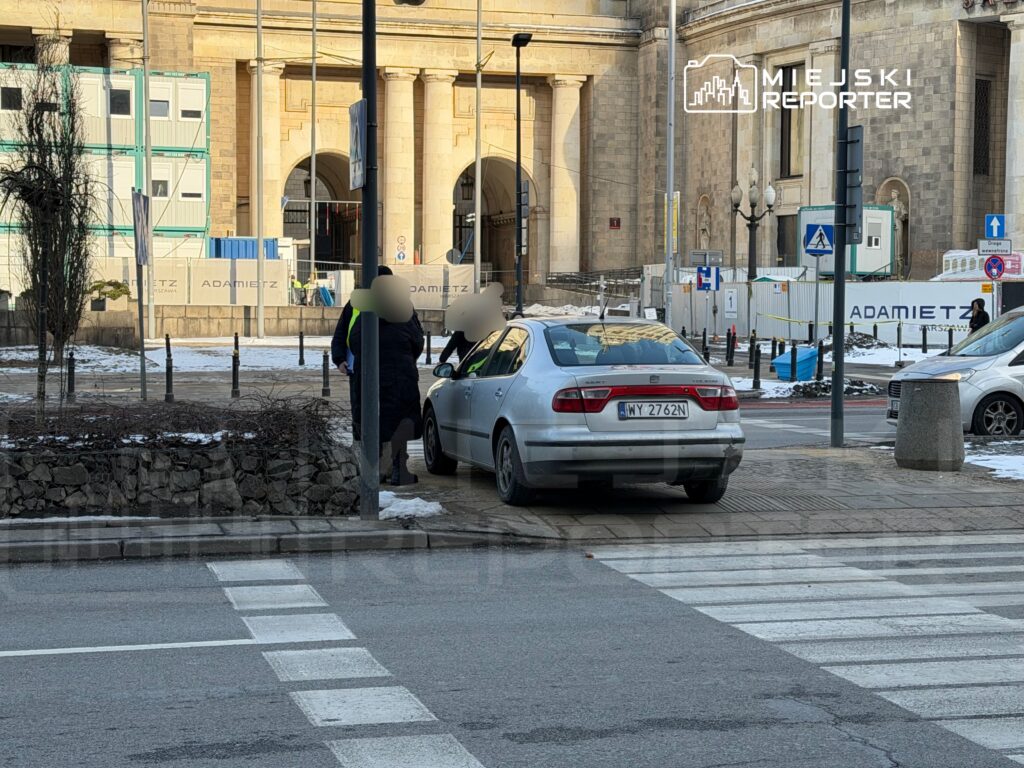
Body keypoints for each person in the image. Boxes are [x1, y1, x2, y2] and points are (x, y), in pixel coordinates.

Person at [348, 293, 424, 486]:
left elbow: (354, 340)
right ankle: (399, 470)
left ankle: (376, 471)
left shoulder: (366, 309)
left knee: (373, 421)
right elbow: (417, 341)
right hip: (400, 374)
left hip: (370, 376)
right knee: (401, 420)